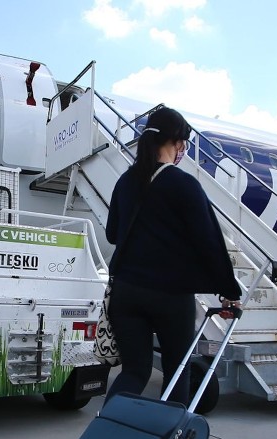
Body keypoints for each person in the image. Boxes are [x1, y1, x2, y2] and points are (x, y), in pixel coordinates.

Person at [103, 106, 242, 405]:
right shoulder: (183, 184)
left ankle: (108, 433)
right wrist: (229, 291)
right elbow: (210, 242)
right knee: (176, 374)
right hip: (170, 296)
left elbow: (113, 234)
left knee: (134, 372)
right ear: (177, 142)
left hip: (126, 293)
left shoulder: (124, 183)